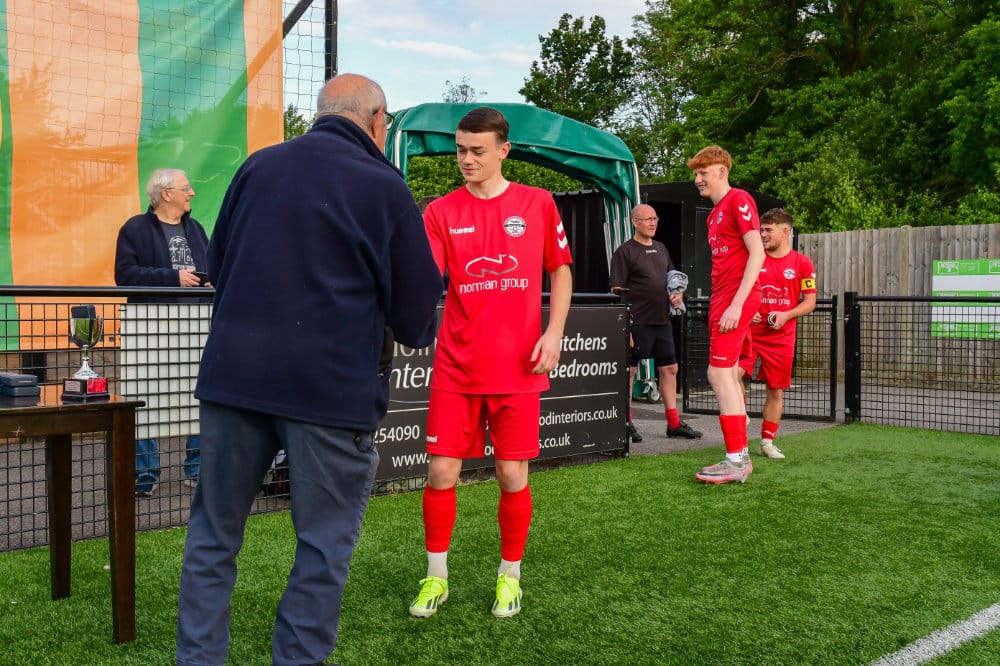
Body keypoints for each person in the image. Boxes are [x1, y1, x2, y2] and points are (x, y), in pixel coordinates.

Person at [175, 74, 443, 666]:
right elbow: (416, 315)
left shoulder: (257, 166)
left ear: (321, 113)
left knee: (213, 536)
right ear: (378, 120)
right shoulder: (384, 184)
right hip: (329, 392)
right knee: (322, 548)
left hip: (234, 381)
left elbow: (218, 261)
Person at [409, 107, 573, 620]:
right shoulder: (441, 211)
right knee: (441, 471)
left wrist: (554, 332)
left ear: (504, 150)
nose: (466, 159)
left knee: (510, 473)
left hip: (519, 367)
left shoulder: (537, 202)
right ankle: (436, 577)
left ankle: (510, 576)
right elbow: (424, 279)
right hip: (456, 365)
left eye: (477, 150)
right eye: (460, 149)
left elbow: (560, 270)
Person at [114, 168, 210, 496]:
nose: (191, 193)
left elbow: (209, 267)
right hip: (150, 323)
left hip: (196, 322)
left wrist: (209, 280)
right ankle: (145, 474)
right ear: (166, 194)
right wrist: (174, 278)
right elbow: (125, 275)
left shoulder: (196, 229)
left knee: (199, 393)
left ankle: (197, 469)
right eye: (186, 188)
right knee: (142, 396)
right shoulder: (134, 228)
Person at [687, 145, 765, 484]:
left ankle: (736, 459)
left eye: (703, 172)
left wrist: (737, 303)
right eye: (696, 173)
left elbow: (758, 253)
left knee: (718, 374)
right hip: (722, 298)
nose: (698, 179)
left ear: (722, 171)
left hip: (734, 298)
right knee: (728, 373)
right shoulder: (713, 214)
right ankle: (739, 454)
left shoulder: (738, 199)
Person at [610, 203, 702, 443]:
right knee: (629, 372)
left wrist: (678, 295)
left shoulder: (661, 248)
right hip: (636, 323)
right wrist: (625, 327)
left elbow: (673, 279)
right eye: (647, 219)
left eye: (655, 219)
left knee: (670, 369)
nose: (652, 223)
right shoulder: (624, 252)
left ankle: (674, 424)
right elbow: (616, 291)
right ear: (635, 222)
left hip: (662, 321)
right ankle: (626, 423)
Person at [740, 208, 817, 459]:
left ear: (785, 232)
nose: (762, 234)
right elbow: (739, 290)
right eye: (761, 230)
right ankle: (739, 414)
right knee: (732, 374)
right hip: (750, 332)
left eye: (768, 230)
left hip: (782, 337)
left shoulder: (802, 263)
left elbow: (810, 302)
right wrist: (747, 309)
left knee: (775, 390)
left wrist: (786, 315)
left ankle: (767, 442)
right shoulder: (753, 258)